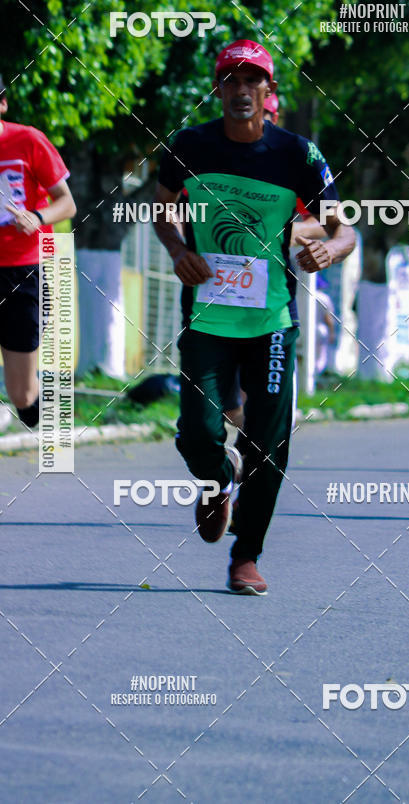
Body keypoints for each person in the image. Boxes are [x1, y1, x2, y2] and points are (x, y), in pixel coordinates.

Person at [154, 39, 355, 594]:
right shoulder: (189, 146)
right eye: (231, 81)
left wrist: (328, 251)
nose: (241, 91)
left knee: (269, 443)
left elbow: (344, 230)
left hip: (271, 324)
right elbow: (163, 210)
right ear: (218, 90)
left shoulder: (299, 155)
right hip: (206, 321)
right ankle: (217, 482)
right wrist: (177, 250)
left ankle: (245, 557)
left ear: (269, 92)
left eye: (252, 81)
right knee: (197, 435)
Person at [0, 62, 76, 523]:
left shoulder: (28, 140)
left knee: (20, 392)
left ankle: (36, 405)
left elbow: (66, 201)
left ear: (3, 104)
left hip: (21, 276)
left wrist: (38, 217)